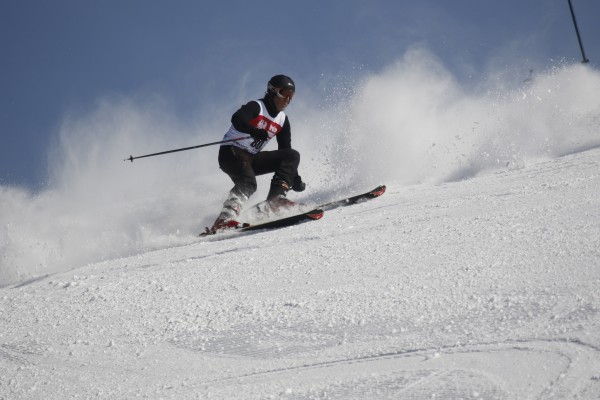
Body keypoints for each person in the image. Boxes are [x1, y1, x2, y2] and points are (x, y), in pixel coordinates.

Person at [207, 74, 306, 234]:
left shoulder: (282, 120)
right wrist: (253, 130)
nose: (287, 100)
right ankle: (223, 220)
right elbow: (237, 118)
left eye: (291, 96)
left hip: (251, 157)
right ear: (272, 91)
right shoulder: (257, 106)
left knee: (292, 155)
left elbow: (284, 149)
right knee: (248, 183)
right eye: (284, 94)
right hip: (231, 152)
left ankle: (276, 200)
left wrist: (294, 177)